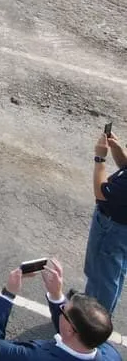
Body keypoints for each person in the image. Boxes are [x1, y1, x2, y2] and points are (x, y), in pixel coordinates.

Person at [0, 257, 120, 360]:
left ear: (70, 330)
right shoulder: (111, 354)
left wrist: (8, 294)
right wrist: (56, 295)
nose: (62, 308)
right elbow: (76, 328)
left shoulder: (32, 356)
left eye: (64, 310)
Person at [87, 126, 127, 316]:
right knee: (114, 272)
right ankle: (89, 303)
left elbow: (101, 193)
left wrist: (100, 158)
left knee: (104, 275)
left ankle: (94, 321)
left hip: (114, 229)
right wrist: (117, 149)